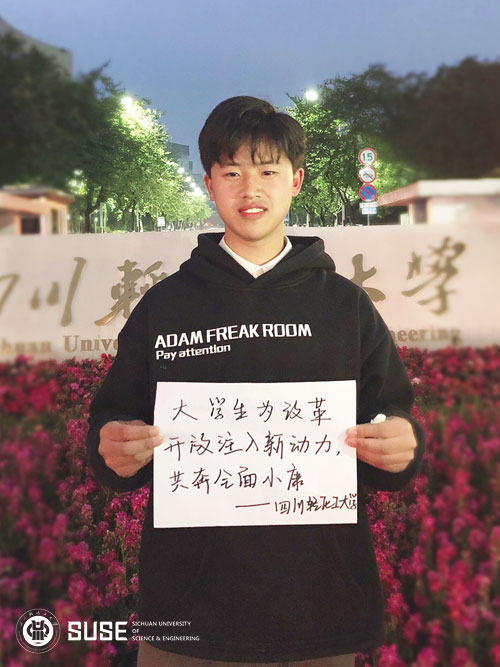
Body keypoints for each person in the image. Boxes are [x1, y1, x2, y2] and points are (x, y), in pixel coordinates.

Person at [86, 96, 424, 667]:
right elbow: (112, 424)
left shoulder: (344, 306)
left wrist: (401, 444)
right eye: (232, 173)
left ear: (295, 181)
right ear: (209, 184)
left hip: (319, 610)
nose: (250, 189)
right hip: (188, 615)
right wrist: (112, 447)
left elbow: (392, 415)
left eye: (267, 171)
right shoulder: (166, 306)